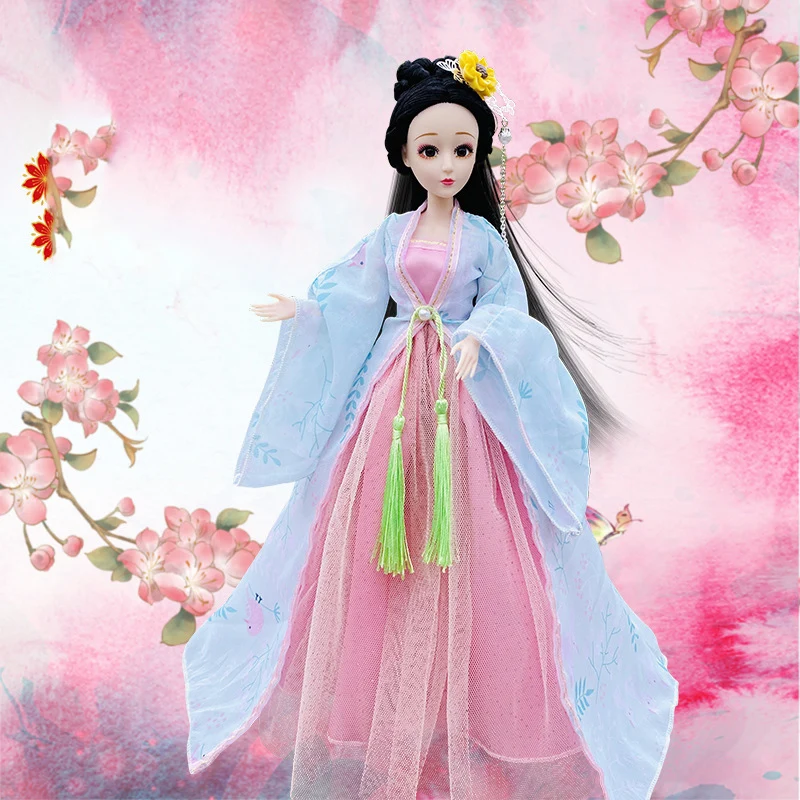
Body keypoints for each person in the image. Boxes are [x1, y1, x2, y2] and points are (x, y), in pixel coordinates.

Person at [183, 51, 679, 799]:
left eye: (461, 150)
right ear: (405, 156)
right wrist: (305, 314)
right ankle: (380, 694)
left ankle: (469, 696)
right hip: (391, 394)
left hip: (462, 400)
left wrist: (482, 336)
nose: (447, 164)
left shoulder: (482, 239)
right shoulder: (391, 236)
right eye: (431, 150)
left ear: (477, 157)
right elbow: (353, 298)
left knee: (477, 533)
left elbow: (507, 307)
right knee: (370, 528)